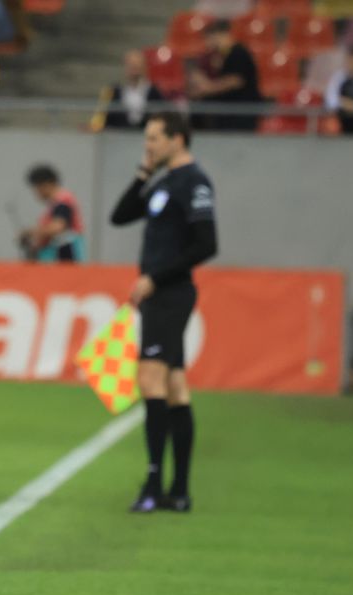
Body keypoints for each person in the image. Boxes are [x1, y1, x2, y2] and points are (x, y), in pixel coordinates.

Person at [110, 111, 218, 514]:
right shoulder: (164, 181)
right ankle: (180, 490)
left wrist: (155, 278)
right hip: (159, 295)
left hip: (171, 293)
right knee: (174, 385)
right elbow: (119, 216)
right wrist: (143, 171)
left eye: (154, 139)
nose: (148, 146)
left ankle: (154, 484)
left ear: (178, 139)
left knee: (149, 377)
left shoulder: (195, 182)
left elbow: (206, 244)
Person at [189, 19, 261, 131]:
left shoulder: (238, 52)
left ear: (218, 35)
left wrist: (208, 88)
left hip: (241, 111)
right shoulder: (218, 57)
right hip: (226, 110)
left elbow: (235, 81)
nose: (208, 44)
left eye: (209, 38)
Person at [19, 164, 85, 263]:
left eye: (37, 188)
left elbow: (58, 226)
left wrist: (31, 232)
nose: (36, 193)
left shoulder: (63, 201)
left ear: (46, 185)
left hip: (66, 257)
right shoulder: (57, 203)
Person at [92, 50, 166, 131]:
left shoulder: (155, 93)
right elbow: (103, 119)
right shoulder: (113, 92)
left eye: (137, 66)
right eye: (131, 65)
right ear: (125, 67)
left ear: (145, 67)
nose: (134, 69)